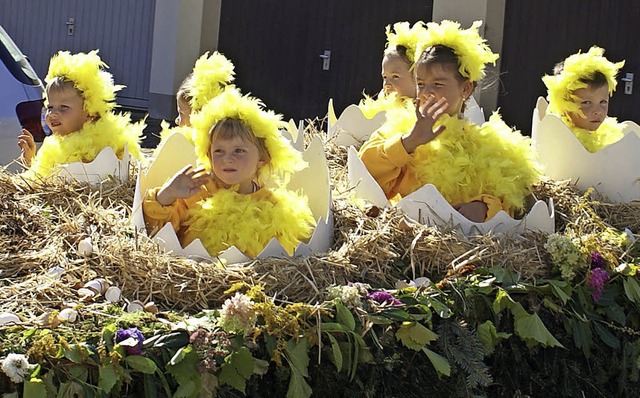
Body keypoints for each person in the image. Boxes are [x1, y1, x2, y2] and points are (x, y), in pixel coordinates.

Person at [358, 20, 540, 223]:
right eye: (420, 84)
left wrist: (483, 206)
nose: (426, 93)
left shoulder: (489, 149)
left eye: (438, 84)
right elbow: (362, 177)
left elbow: (512, 205)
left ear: (466, 89)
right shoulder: (396, 130)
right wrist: (409, 142)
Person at [142, 88, 315, 257]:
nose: (227, 159)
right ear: (208, 155)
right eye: (219, 151)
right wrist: (168, 193)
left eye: (238, 151)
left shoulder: (273, 206)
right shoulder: (195, 193)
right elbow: (154, 232)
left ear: (261, 158)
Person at [18, 50, 144, 178]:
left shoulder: (99, 146)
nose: (52, 114)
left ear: (90, 112)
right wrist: (30, 161)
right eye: (50, 107)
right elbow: (41, 184)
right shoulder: (53, 145)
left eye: (63, 107)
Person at [542, 46, 625, 152]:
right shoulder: (557, 143)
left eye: (603, 102)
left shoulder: (611, 140)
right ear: (564, 104)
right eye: (586, 102)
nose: (598, 111)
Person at [359, 21, 427, 118]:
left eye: (395, 76)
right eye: (385, 77)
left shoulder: (425, 116)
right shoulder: (379, 114)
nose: (387, 84)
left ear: (417, 78)